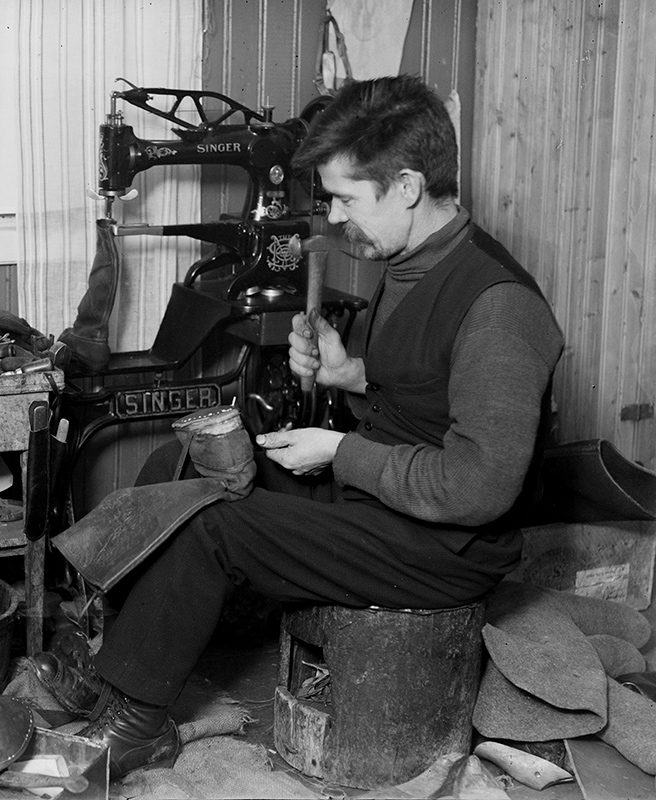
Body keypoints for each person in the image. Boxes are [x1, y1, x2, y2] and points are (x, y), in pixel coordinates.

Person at [32, 74, 565, 777]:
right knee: (184, 465)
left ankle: (138, 724)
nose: (336, 217)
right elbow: (436, 389)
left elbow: (477, 486)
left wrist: (339, 450)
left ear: (406, 185)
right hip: (386, 500)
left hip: (445, 545)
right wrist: (354, 377)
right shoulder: (410, 255)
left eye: (346, 197)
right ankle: (112, 674)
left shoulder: (501, 307)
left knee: (215, 527)